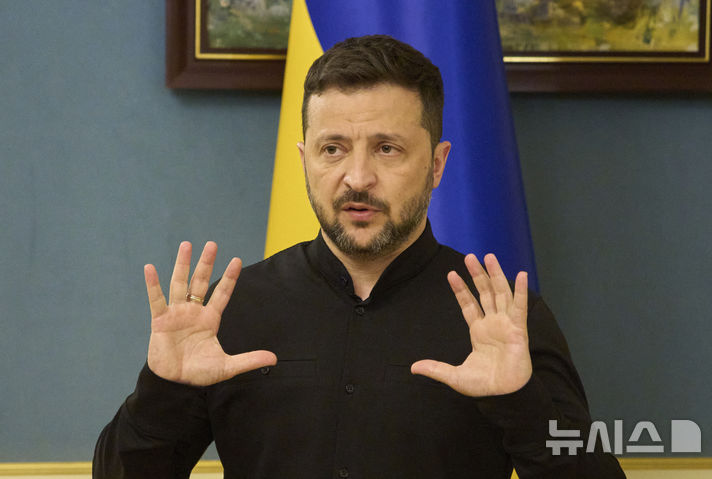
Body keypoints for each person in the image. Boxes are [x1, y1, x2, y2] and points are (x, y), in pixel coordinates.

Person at [94, 35, 625, 478]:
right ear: (305, 161)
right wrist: (162, 392)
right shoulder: (230, 311)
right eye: (333, 149)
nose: (358, 177)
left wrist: (522, 405)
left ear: (437, 165)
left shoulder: (504, 317)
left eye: (387, 148)